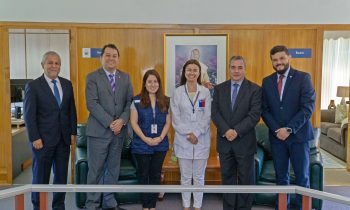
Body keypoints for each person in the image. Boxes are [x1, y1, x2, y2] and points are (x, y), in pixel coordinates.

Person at [261, 45, 315, 210]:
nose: (279, 62)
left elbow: (307, 108)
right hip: (277, 138)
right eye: (275, 60)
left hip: (299, 137)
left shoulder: (303, 78)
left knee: (302, 178)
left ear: (289, 58)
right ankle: (282, 207)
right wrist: (278, 130)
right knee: (281, 178)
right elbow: (264, 109)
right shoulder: (267, 81)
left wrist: (289, 129)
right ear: (272, 61)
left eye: (282, 58)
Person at [23, 51, 77, 210]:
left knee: (61, 178)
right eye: (50, 62)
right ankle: (38, 207)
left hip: (63, 140)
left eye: (57, 63)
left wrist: (73, 132)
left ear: (60, 66)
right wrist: (35, 138)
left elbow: (71, 110)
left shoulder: (67, 84)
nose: (54, 66)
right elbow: (29, 115)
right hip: (42, 142)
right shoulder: (33, 86)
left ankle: (58, 206)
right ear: (43, 65)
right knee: (41, 178)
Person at [85, 43, 133, 210]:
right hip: (99, 132)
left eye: (114, 55)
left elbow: (129, 102)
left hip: (119, 132)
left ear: (118, 59)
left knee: (113, 169)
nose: (111, 58)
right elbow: (92, 104)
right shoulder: (92, 77)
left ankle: (109, 202)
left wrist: (122, 120)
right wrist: (111, 123)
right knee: (95, 170)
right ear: (101, 58)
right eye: (108, 55)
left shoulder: (125, 77)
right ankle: (91, 204)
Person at [211, 56, 261, 210]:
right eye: (233, 67)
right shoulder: (219, 89)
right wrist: (226, 131)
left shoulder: (255, 89)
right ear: (229, 69)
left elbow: (254, 115)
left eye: (240, 67)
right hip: (225, 143)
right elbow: (215, 113)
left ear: (245, 69)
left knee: (247, 180)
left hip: (245, 143)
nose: (236, 71)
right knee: (227, 179)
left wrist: (236, 131)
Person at [171, 59, 211, 210]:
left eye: (195, 70)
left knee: (199, 177)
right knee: (186, 177)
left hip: (201, 140)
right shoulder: (177, 92)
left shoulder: (205, 92)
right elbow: (176, 118)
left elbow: (207, 117)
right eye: (189, 70)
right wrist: (189, 134)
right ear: (184, 72)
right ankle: (186, 205)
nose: (192, 73)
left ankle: (197, 206)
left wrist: (197, 133)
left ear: (200, 73)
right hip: (183, 140)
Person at [130, 69, 171, 210]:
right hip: (141, 144)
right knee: (143, 175)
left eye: (155, 81)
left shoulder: (166, 100)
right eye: (149, 81)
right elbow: (133, 123)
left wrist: (160, 137)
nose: (152, 84)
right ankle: (145, 206)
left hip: (160, 144)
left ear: (159, 84)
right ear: (145, 83)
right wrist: (146, 139)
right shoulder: (136, 100)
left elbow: (168, 122)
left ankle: (152, 206)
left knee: (155, 175)